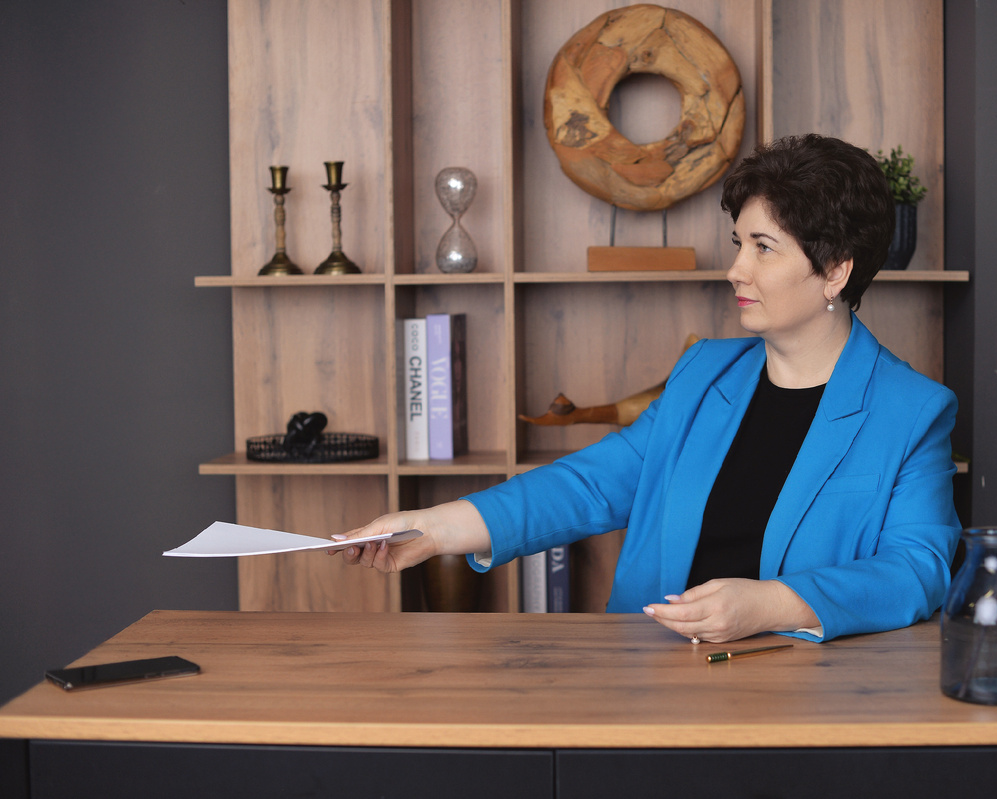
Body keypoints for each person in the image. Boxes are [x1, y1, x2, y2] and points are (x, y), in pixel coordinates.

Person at [334, 133, 960, 644]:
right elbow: (588, 484)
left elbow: (917, 568)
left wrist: (774, 603)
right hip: (651, 677)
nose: (735, 269)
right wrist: (433, 528)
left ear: (835, 271)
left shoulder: (913, 411)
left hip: (807, 694)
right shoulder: (703, 374)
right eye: (738, 244)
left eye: (763, 248)